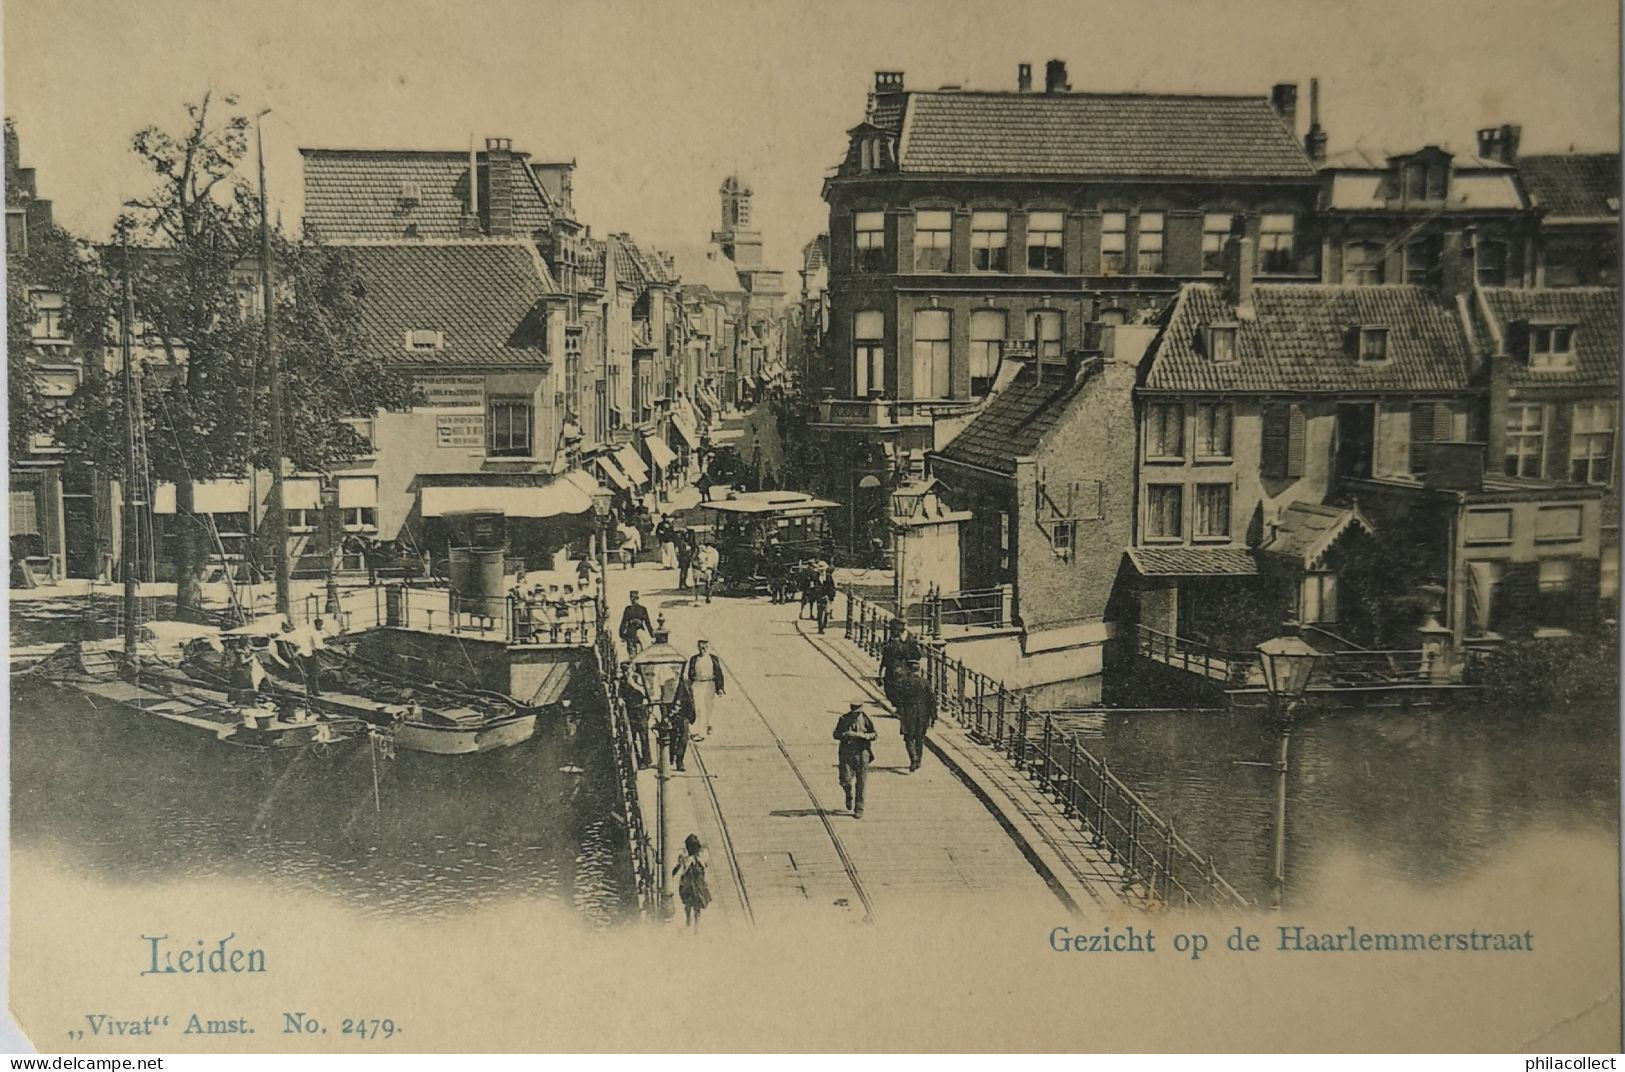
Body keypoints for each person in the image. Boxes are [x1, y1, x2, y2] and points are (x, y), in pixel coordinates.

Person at [833, 702, 878, 818]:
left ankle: (859, 808)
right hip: (847, 753)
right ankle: (848, 794)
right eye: (854, 713)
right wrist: (846, 734)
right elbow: (835, 734)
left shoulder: (866, 719)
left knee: (861, 782)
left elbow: (874, 734)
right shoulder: (843, 719)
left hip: (863, 753)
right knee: (845, 779)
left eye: (858, 713)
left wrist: (865, 736)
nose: (856, 715)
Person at [894, 665, 937, 772]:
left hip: (908, 713)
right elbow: (932, 699)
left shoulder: (903, 682)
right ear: (918, 670)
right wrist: (933, 716)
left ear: (909, 669)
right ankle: (919, 760)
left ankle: (913, 758)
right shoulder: (925, 682)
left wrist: (899, 711)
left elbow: (898, 699)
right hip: (923, 714)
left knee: (908, 737)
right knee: (920, 737)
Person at [684, 638, 725, 740]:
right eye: (701, 648)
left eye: (705, 647)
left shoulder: (713, 659)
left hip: (710, 684)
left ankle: (708, 724)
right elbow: (690, 673)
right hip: (698, 684)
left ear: (708, 647)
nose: (703, 650)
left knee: (709, 707)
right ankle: (700, 732)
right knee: (699, 708)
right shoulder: (694, 659)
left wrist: (720, 688)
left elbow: (719, 673)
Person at [879, 620, 923, 708]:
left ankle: (901, 707)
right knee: (890, 688)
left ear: (898, 630)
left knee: (899, 687)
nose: (891, 632)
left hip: (905, 668)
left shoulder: (909, 639)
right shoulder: (893, 639)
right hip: (892, 669)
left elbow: (917, 654)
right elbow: (886, 655)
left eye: (893, 630)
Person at [673, 833, 711, 929]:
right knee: (693, 906)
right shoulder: (690, 858)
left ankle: (691, 923)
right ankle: (692, 924)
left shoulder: (695, 858)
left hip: (693, 885)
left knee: (692, 906)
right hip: (692, 886)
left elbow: (678, 868)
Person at [622, 662, 652, 769]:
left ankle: (647, 760)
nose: (626, 673)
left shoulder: (637, 677)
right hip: (630, 710)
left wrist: (632, 684)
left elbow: (645, 691)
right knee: (633, 737)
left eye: (627, 670)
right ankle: (638, 760)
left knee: (644, 735)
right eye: (624, 670)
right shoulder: (622, 681)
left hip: (640, 709)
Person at [664, 676, 694, 771]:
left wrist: (691, 714)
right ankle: (671, 757)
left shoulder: (686, 682)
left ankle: (680, 761)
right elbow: (662, 700)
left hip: (684, 714)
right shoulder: (667, 682)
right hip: (671, 715)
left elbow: (691, 698)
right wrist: (665, 715)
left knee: (684, 738)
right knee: (672, 737)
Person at [618, 591, 653, 657]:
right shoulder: (641, 609)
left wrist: (622, 634)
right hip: (636, 632)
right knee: (642, 651)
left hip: (632, 633)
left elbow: (623, 622)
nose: (632, 600)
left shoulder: (630, 609)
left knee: (634, 653)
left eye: (633, 598)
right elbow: (648, 623)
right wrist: (652, 635)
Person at [812, 561, 837, 633]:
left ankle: (824, 624)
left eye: (823, 569)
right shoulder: (815, 576)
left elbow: (832, 586)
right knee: (819, 612)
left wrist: (831, 596)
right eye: (820, 569)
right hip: (819, 596)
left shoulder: (829, 576)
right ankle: (820, 628)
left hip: (827, 596)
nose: (822, 571)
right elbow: (813, 586)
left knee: (826, 612)